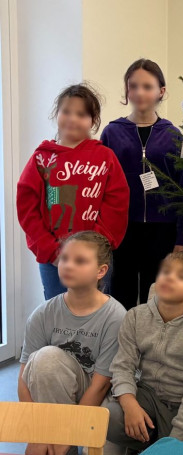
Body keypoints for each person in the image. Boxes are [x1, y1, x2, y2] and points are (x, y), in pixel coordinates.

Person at [18, 231, 126, 455]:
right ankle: (60, 452)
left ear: (101, 271)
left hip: (101, 396)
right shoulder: (43, 313)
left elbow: (100, 386)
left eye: (80, 261)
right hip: (57, 394)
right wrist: (36, 432)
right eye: (64, 258)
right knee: (45, 359)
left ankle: (67, 445)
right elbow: (24, 378)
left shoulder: (116, 316)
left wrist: (68, 433)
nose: (68, 265)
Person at [17, 84, 129, 300]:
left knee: (94, 313)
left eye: (81, 114)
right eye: (66, 112)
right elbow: (28, 207)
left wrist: (94, 248)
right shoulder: (42, 158)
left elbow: (117, 205)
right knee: (57, 311)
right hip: (54, 259)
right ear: (56, 114)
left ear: (93, 120)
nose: (72, 119)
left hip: (94, 258)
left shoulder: (105, 157)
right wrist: (50, 250)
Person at [105, 251, 183, 455]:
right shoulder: (135, 316)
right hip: (146, 396)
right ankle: (144, 445)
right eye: (166, 272)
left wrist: (177, 439)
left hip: (181, 407)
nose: (169, 278)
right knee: (108, 415)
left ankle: (157, 451)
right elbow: (122, 366)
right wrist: (130, 405)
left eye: (181, 276)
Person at [101, 59, 183, 309]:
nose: (140, 92)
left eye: (147, 86)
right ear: (127, 90)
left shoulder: (174, 136)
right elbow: (102, 185)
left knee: (157, 298)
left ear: (160, 91)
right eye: (133, 86)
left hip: (162, 231)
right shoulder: (111, 133)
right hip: (122, 230)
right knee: (121, 296)